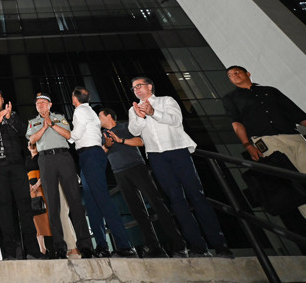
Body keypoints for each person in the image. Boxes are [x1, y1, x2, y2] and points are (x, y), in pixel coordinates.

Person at [127, 76, 233, 258]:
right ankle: (198, 247)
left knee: (197, 195)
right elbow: (134, 131)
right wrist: (140, 116)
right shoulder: (133, 109)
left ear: (150, 86)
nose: (136, 89)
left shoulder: (166, 100)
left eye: (139, 86)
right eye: (133, 88)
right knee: (176, 200)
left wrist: (153, 112)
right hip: (156, 156)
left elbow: (176, 120)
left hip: (177, 151)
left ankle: (220, 244)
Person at [99, 107, 185, 258]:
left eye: (100, 115)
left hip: (137, 168)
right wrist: (107, 144)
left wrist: (121, 140)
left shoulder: (126, 127)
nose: (98, 119)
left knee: (156, 203)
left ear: (109, 116)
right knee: (137, 211)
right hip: (119, 173)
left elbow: (141, 141)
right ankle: (154, 247)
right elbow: (102, 153)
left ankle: (179, 245)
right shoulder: (102, 135)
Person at [222, 65, 306, 217]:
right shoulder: (230, 98)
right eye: (230, 75)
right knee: (294, 182)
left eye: (236, 72)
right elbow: (236, 123)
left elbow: (296, 113)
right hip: (266, 141)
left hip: (293, 136)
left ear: (247, 73)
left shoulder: (270, 91)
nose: (234, 76)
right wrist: (247, 145)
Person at [69, 87, 136, 258]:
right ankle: (101, 246)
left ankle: (124, 245)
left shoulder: (80, 111)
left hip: (90, 154)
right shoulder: (90, 111)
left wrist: (64, 134)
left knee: (102, 199)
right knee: (92, 203)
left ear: (74, 98)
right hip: (88, 156)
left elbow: (75, 135)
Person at [0, 88, 44, 260]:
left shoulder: (12, 116)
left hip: (17, 166)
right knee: (4, 208)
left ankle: (33, 251)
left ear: (3, 100)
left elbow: (24, 132)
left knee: (25, 207)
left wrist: (10, 118)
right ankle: (9, 253)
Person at [26, 93, 93, 259]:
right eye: (37, 104)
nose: (40, 105)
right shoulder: (33, 122)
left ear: (50, 104)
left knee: (75, 201)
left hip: (64, 157)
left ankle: (85, 245)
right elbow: (32, 140)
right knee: (53, 204)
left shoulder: (60, 118)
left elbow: (68, 135)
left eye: (43, 103)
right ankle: (60, 247)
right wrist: (43, 127)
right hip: (45, 160)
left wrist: (52, 124)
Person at [25, 142, 52, 255]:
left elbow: (45, 172)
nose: (32, 146)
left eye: (34, 144)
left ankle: (52, 245)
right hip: (31, 189)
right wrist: (30, 186)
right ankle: (42, 248)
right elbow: (25, 174)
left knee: (45, 215)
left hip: (41, 187)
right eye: (30, 145)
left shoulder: (41, 157)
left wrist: (37, 184)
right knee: (36, 218)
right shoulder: (27, 159)